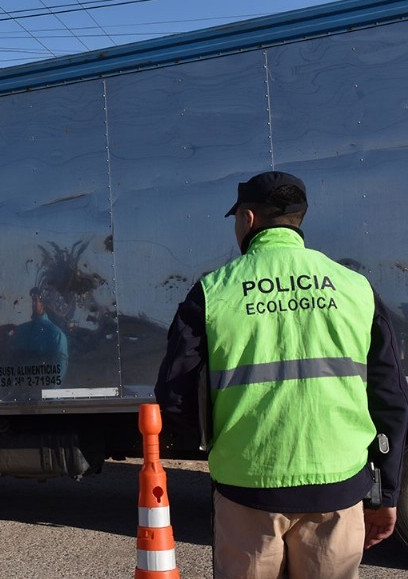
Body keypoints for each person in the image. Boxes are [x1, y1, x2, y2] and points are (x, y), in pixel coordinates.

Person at [154, 171, 408, 578]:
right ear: (298, 219)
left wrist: (210, 448)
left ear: (248, 220)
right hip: (339, 483)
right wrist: (387, 491)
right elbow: (390, 394)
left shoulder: (213, 291)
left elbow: (175, 391)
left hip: (247, 488)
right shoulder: (355, 287)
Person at [8, 287, 69, 384]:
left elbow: (59, 372)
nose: (32, 304)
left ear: (44, 304)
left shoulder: (56, 334)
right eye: (32, 300)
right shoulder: (21, 330)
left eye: (36, 300)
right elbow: (10, 361)